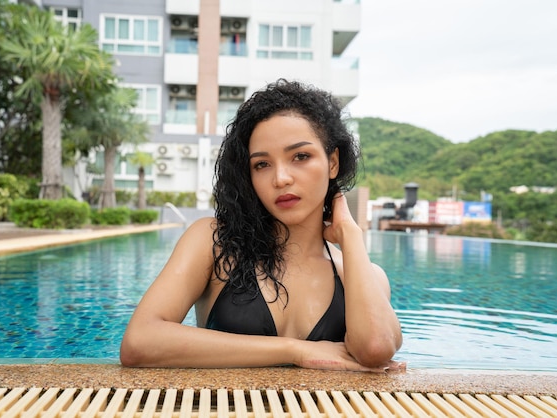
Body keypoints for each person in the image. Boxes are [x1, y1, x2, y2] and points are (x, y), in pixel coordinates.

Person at [120, 79, 404, 372]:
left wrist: (350, 235)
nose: (280, 178)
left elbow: (376, 349)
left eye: (300, 156)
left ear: (333, 162)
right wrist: (298, 351)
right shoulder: (215, 243)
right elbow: (139, 343)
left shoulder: (361, 274)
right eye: (262, 164)